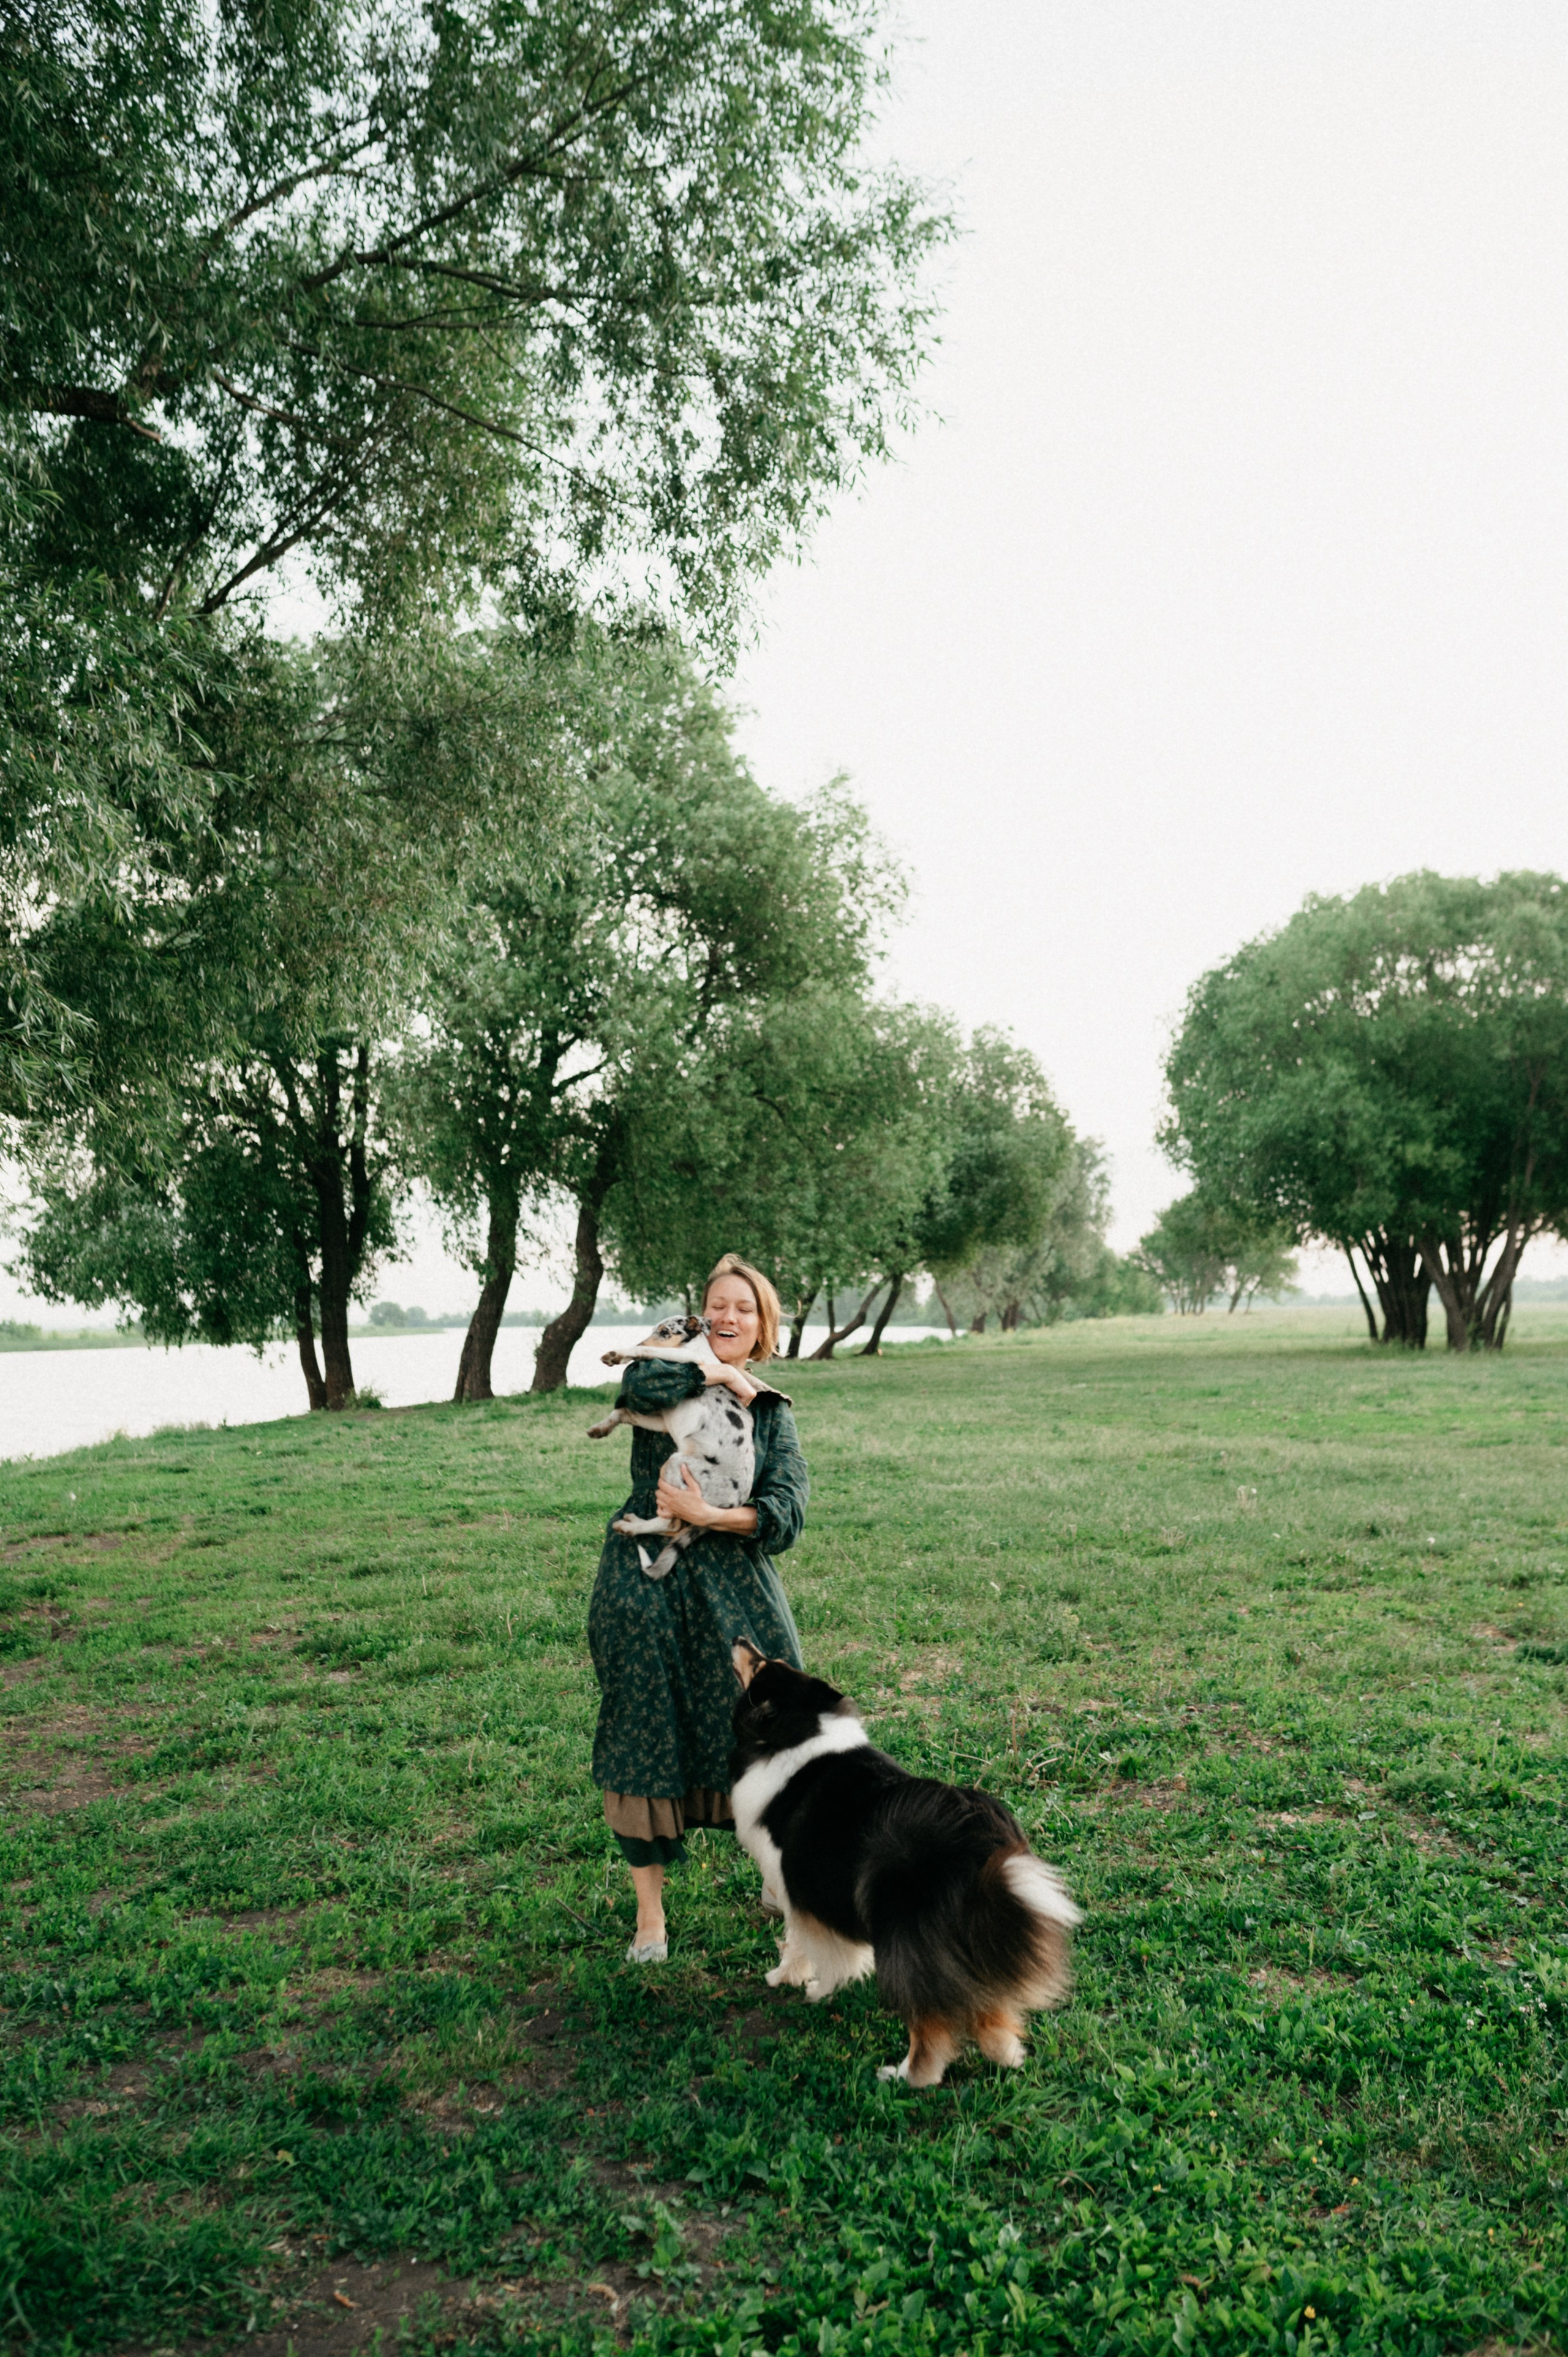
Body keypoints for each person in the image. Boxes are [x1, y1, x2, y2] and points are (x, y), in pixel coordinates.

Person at [589, 1252, 808, 1961]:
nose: (727, 1316)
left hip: (734, 1579)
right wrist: (712, 1372)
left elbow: (784, 1513)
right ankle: (649, 1915)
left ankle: (782, 1875)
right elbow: (637, 1377)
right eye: (717, 1303)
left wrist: (706, 1514)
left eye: (743, 1307)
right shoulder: (668, 1369)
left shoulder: (772, 1409)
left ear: (762, 1324)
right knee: (641, 1723)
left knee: (775, 1722)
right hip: (647, 1582)